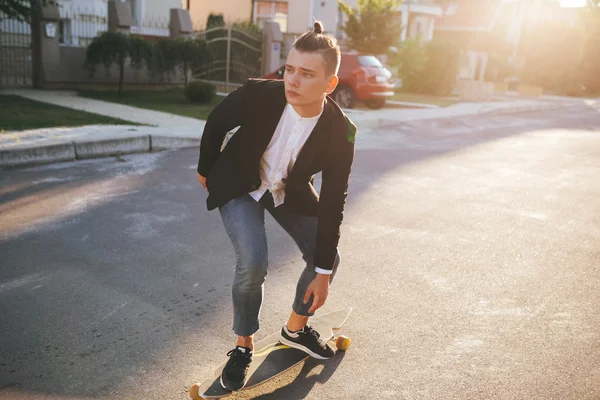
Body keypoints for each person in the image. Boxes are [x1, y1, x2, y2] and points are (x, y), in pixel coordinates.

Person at [196, 20, 356, 391]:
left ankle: (295, 329)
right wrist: (206, 168)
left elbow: (334, 199)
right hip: (240, 185)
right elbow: (217, 120)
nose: (292, 81)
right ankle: (243, 345)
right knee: (252, 262)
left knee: (327, 259)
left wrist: (320, 271)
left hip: (288, 191)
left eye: (306, 74)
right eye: (289, 70)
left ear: (330, 84)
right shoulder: (260, 94)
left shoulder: (342, 132)